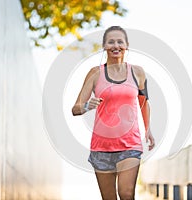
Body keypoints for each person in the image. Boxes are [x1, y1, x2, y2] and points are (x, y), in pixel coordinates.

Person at [72, 26, 155, 200]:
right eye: (111, 42)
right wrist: (87, 105)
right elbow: (76, 108)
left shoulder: (138, 72)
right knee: (109, 198)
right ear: (104, 46)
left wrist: (148, 129)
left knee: (126, 193)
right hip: (101, 147)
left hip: (130, 145)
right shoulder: (95, 73)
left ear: (126, 45)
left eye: (120, 41)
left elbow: (143, 102)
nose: (115, 45)